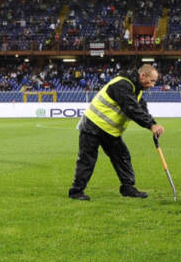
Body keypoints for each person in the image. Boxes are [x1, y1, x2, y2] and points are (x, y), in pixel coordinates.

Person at [69, 63, 165, 201]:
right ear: (142, 75)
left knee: (122, 157)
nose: (153, 85)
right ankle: (76, 191)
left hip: (109, 131)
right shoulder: (123, 84)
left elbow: (141, 108)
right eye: (152, 81)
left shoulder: (136, 89)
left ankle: (128, 188)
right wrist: (150, 125)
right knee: (87, 160)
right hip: (93, 125)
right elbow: (131, 108)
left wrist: (154, 124)